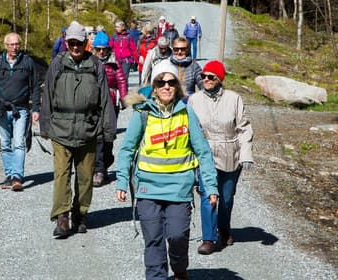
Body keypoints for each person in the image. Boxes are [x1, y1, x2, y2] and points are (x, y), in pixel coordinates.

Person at [115, 60, 219, 280]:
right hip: (147, 189)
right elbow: (127, 149)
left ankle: (179, 269)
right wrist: (122, 181)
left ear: (177, 86)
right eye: (161, 82)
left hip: (179, 189)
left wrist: (211, 187)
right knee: (153, 240)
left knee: (177, 236)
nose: (166, 86)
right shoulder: (142, 114)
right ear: (154, 87)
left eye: (171, 82)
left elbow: (203, 152)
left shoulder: (186, 113)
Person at [40, 21, 115, 239]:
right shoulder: (57, 63)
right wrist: (45, 125)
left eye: (79, 43)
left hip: (88, 129)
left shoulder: (95, 65)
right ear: (66, 42)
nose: (75, 47)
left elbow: (104, 99)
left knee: (85, 177)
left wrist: (108, 131)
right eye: (71, 42)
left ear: (85, 43)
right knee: (61, 175)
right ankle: (62, 217)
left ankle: (80, 214)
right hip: (60, 130)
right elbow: (47, 96)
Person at [187, 60, 254, 255]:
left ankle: (224, 229)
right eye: (203, 76)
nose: (206, 80)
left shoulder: (234, 99)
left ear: (219, 79)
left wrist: (246, 154)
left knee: (226, 198)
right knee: (208, 196)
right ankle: (208, 238)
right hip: (204, 154)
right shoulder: (194, 100)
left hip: (230, 154)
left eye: (211, 77)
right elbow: (188, 129)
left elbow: (244, 128)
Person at [0, 32, 41, 191]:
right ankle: (9, 175)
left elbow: (35, 86)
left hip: (21, 109)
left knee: (19, 143)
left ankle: (17, 177)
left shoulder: (27, 62)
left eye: (17, 44)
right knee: (5, 144)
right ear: (6, 46)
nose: (14, 47)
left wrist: (35, 108)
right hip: (1, 109)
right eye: (11, 44)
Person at [91, 32, 128, 187]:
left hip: (112, 104)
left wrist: (124, 98)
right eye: (98, 49)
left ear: (108, 49)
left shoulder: (114, 63)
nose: (101, 52)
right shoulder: (89, 62)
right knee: (97, 136)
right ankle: (98, 169)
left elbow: (121, 80)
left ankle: (105, 163)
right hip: (93, 104)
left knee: (108, 136)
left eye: (104, 49)